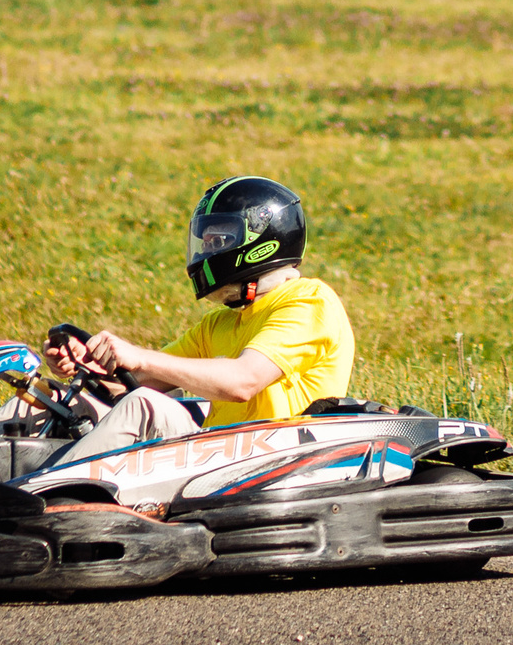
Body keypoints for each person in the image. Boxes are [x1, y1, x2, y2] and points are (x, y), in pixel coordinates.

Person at [45, 175, 355, 465]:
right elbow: (135, 382)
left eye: (218, 241)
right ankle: (22, 483)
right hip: (219, 456)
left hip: (274, 462)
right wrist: (87, 363)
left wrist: (140, 356)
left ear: (263, 244)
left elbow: (243, 381)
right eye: (204, 242)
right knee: (51, 399)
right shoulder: (218, 324)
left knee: (145, 406)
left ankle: (42, 492)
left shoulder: (309, 302)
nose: (206, 252)